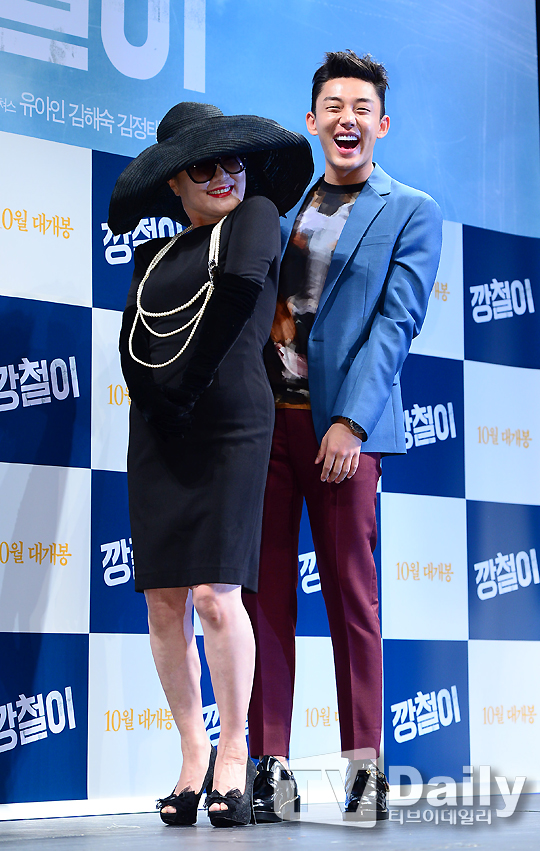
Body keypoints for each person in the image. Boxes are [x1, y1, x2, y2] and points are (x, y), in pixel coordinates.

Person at [244, 51, 443, 821]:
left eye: (361, 107)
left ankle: (366, 769)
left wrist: (350, 421)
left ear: (381, 124)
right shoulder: (281, 210)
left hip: (343, 433)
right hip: (269, 425)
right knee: (264, 598)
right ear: (312, 120)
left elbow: (396, 324)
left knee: (352, 599)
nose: (347, 118)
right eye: (333, 106)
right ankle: (269, 765)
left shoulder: (411, 210)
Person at [108, 101, 313, 828]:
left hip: (229, 424)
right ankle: (192, 754)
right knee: (163, 600)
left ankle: (233, 752)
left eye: (234, 161)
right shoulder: (152, 258)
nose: (225, 175)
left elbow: (234, 300)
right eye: (204, 167)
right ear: (174, 182)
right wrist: (158, 405)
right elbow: (132, 345)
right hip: (158, 431)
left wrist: (184, 393)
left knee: (215, 595)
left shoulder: (256, 217)